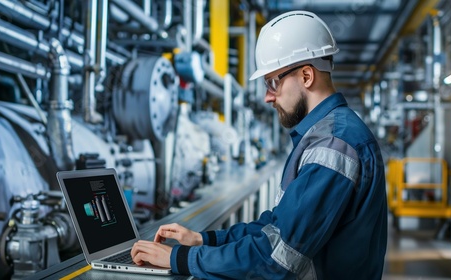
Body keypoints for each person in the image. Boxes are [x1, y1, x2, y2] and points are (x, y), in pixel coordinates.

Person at [131, 10, 387, 279]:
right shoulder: (326, 135)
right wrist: (204, 240)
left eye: (273, 82)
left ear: (307, 76)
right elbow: (276, 227)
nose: (267, 97)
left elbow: (276, 259)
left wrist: (177, 258)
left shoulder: (333, 144)